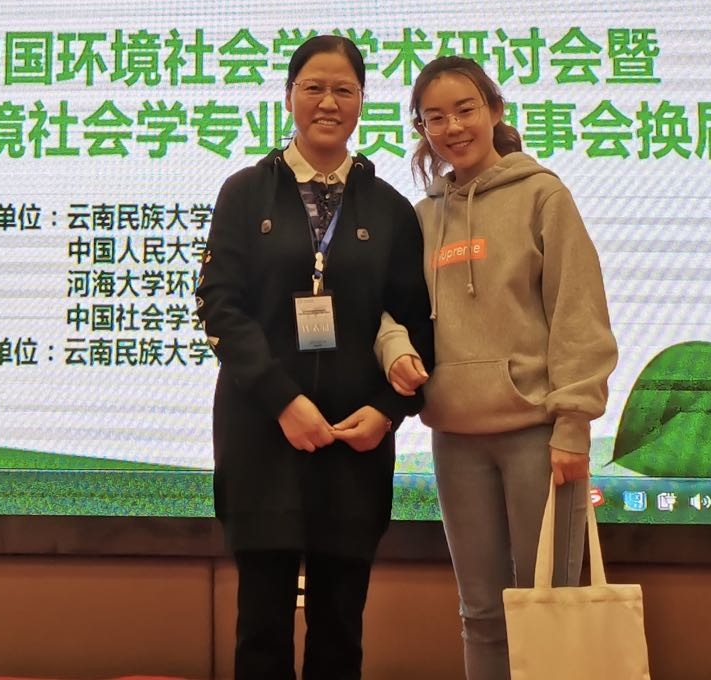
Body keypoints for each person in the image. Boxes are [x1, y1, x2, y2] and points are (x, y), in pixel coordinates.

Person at [198, 34, 434, 680]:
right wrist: (283, 401)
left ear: (361, 102)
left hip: (355, 443)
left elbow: (416, 324)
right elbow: (219, 307)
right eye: (314, 88)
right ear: (288, 97)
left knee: (339, 634)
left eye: (343, 90)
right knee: (260, 633)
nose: (328, 103)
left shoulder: (389, 209)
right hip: (262, 434)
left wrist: (387, 411)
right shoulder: (246, 192)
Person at [374, 55, 618, 680]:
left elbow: (577, 311)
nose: (453, 127)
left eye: (465, 109)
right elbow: (387, 308)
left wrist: (573, 424)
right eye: (435, 118)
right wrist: (395, 347)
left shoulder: (543, 196)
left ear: (495, 110)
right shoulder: (422, 216)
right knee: (481, 614)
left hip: (538, 437)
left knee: (550, 610)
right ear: (422, 130)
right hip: (456, 439)